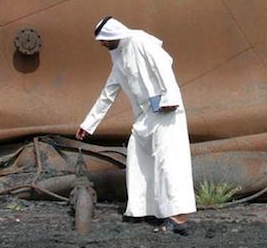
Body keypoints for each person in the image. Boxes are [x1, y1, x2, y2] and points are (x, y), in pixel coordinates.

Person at [75, 16, 196, 234]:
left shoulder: (140, 40)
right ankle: (143, 209)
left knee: (168, 164)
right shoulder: (118, 57)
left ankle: (179, 218)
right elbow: (108, 93)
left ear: (113, 35)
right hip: (144, 116)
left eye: (103, 40)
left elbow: (163, 63)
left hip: (166, 111)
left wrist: (170, 98)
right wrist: (88, 124)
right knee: (138, 159)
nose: (102, 44)